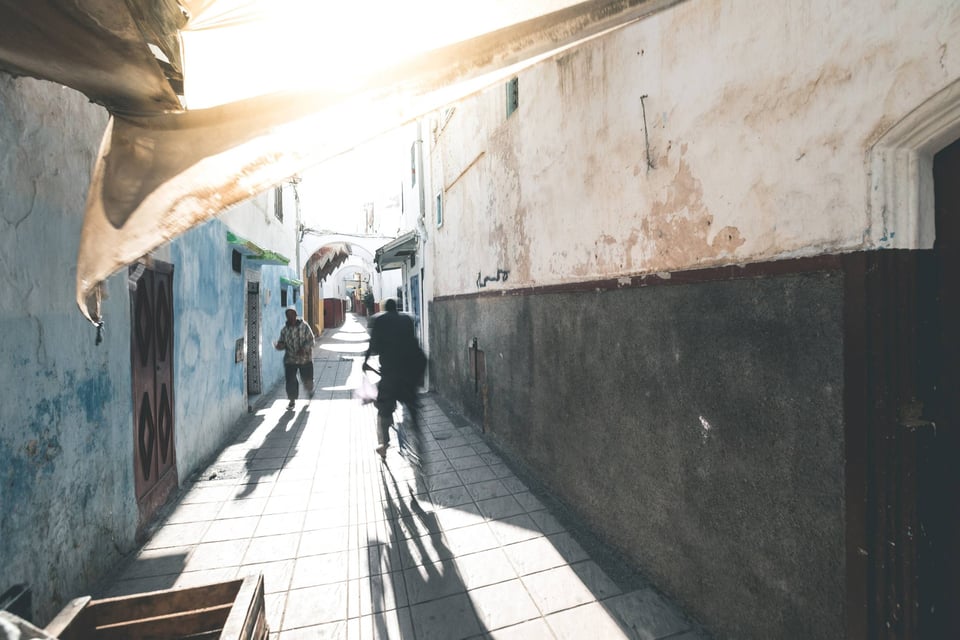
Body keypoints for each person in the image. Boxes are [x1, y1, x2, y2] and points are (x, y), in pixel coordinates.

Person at [363, 298, 426, 460]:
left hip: (390, 375)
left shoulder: (380, 321)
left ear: (385, 308)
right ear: (396, 308)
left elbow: (373, 345)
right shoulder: (407, 320)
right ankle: (418, 437)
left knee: (383, 409)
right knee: (412, 405)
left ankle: (384, 445)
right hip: (408, 374)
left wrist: (365, 361)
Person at [274, 307, 315, 410]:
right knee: (290, 381)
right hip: (290, 360)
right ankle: (292, 401)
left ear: (296, 315)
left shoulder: (304, 326)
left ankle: (309, 391)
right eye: (288, 315)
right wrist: (279, 346)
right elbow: (282, 343)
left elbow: (311, 340)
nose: (290, 317)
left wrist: (304, 349)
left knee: (307, 380)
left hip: (305, 359)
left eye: (292, 314)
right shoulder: (284, 330)